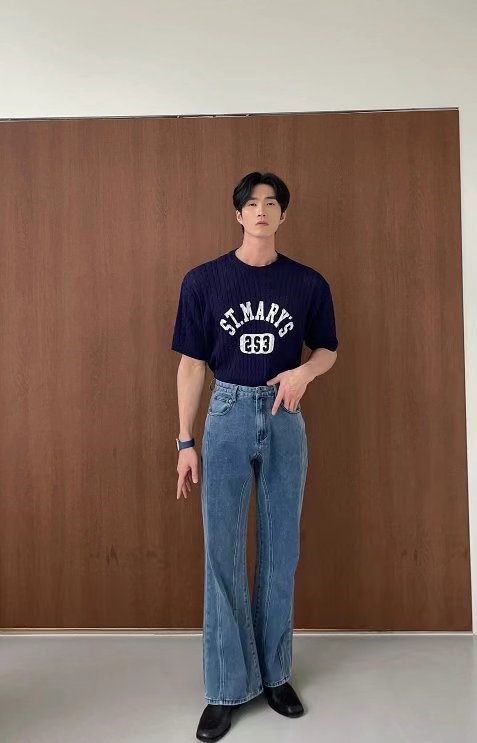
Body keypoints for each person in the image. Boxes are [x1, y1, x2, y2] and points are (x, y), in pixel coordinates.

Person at [171, 171, 339, 741]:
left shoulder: (307, 283)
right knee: (222, 550)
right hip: (227, 413)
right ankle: (224, 688)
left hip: (284, 416)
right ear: (238, 214)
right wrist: (185, 440)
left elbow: (328, 349)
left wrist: (304, 372)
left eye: (271, 203)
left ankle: (275, 675)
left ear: (283, 215)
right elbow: (191, 364)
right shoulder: (204, 281)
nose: (261, 210)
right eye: (251, 203)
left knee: (280, 551)